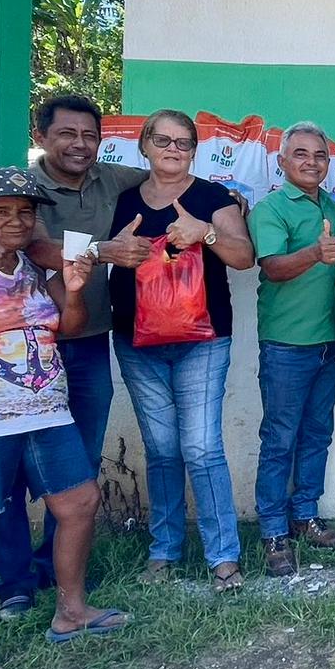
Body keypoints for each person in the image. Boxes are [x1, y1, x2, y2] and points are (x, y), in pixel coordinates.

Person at [0, 95, 150, 620]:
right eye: (67, 134)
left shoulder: (112, 178)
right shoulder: (25, 190)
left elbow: (166, 177)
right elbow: (38, 248)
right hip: (18, 353)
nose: (80, 145)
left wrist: (224, 202)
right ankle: (14, 582)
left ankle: (60, 570)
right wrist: (105, 252)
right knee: (9, 472)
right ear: (41, 136)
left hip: (87, 339)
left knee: (77, 464)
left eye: (89, 135)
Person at [0, 168, 129, 669]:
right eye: (0, 212)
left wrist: (76, 290)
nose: (15, 221)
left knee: (79, 504)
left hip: (45, 410)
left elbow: (71, 326)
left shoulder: (36, 267)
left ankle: (72, 610)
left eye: (24, 212)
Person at [109, 110, 255, 592]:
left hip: (203, 341)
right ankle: (164, 550)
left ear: (194, 149)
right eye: (163, 140)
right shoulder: (123, 199)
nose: (173, 149)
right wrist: (113, 249)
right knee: (162, 449)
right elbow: (96, 251)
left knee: (201, 447)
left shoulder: (213, 197)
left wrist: (205, 233)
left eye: (183, 142)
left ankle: (224, 556)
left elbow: (244, 256)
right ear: (144, 145)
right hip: (136, 340)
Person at [246, 122, 335, 577]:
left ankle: (306, 515)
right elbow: (272, 267)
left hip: (331, 341)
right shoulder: (270, 208)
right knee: (279, 439)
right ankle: (273, 531)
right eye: (301, 154)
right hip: (287, 343)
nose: (311, 162)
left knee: (317, 434)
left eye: (319, 155)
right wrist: (315, 253)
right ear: (282, 161)